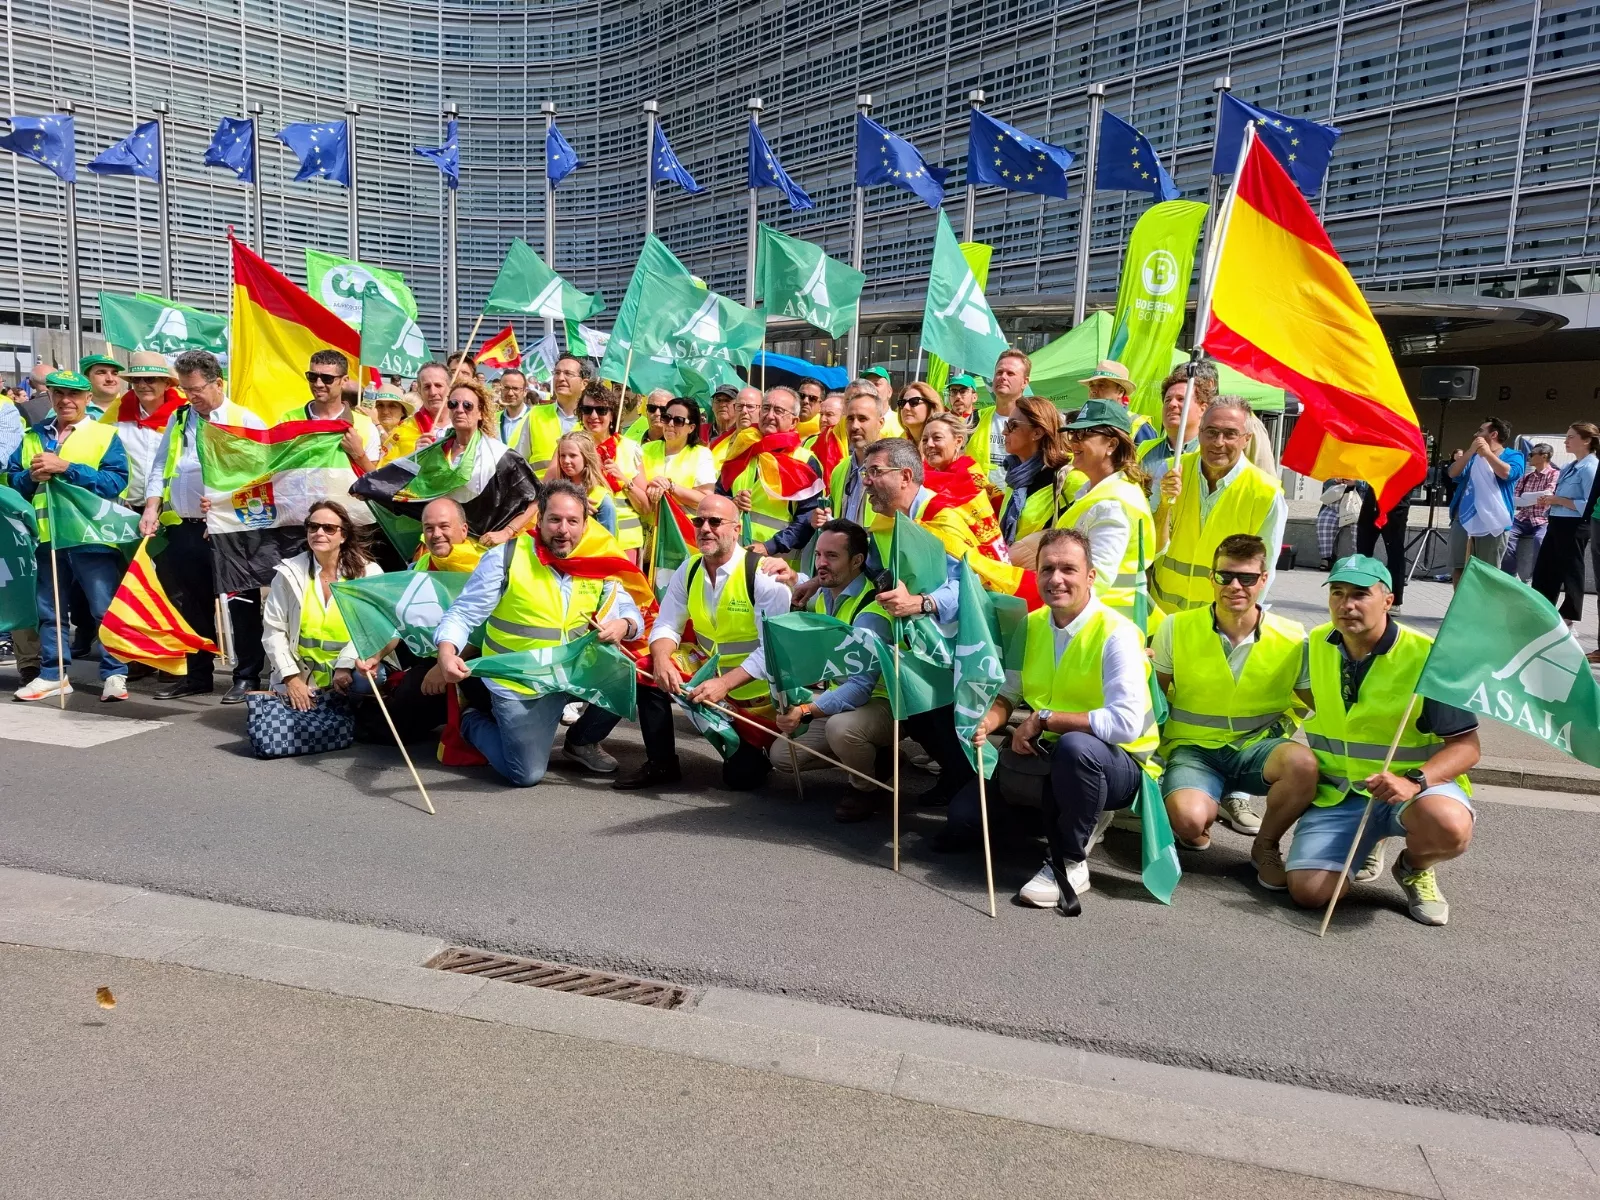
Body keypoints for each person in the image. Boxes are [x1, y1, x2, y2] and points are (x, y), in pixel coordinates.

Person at [957, 528, 1159, 916]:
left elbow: (1127, 724)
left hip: (1119, 763)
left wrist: (1046, 719)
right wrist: (988, 720)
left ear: (1090, 576)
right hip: (1043, 755)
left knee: (1076, 748)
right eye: (1047, 568)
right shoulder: (1030, 625)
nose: (1057, 578)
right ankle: (1072, 815)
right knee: (964, 822)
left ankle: (1070, 861)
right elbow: (1008, 693)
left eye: (1069, 568)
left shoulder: (1117, 633)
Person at [1270, 555, 1479, 926]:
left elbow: (1466, 748)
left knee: (1448, 825)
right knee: (1309, 893)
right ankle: (1366, 840)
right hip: (1343, 793)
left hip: (1413, 792)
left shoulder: (1427, 656)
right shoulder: (1315, 644)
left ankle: (1415, 867)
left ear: (1388, 600)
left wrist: (1412, 781)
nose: (1346, 604)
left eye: (1360, 594)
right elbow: (1306, 702)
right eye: (1337, 593)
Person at [433, 481, 643, 786]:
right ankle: (471, 720)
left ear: (586, 525)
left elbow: (628, 611)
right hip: (519, 680)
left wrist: (624, 625)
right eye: (555, 520)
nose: (563, 530)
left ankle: (581, 742)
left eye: (573, 522)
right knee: (525, 774)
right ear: (539, 519)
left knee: (630, 675)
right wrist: (446, 651)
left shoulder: (597, 561)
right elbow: (463, 613)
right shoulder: (505, 558)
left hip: (570, 673)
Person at [1154, 534, 1317, 867]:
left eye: (1247, 578)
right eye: (1225, 576)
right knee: (1187, 819)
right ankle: (1198, 821)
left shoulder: (1293, 636)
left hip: (1258, 749)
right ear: (1212, 577)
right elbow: (1153, 697)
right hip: (1194, 749)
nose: (1235, 586)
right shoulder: (1176, 627)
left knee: (1303, 765)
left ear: (1263, 579)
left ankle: (1266, 847)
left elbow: (1318, 703)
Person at [631, 493, 793, 791]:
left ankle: (754, 751)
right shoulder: (689, 568)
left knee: (741, 780)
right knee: (646, 668)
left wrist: (724, 685)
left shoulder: (764, 576)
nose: (705, 528)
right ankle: (661, 763)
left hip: (755, 701)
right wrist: (664, 660)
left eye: (715, 521)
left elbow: (772, 653)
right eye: (699, 520)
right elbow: (667, 624)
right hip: (708, 675)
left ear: (736, 529)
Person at [139, 350, 269, 700]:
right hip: (184, 525)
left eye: (196, 389)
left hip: (231, 528)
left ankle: (247, 676)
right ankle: (198, 674)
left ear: (217, 383)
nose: (190, 396)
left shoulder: (246, 421)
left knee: (240, 603)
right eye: (185, 389)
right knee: (192, 603)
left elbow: (260, 479)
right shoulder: (180, 417)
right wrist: (152, 505)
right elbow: (160, 464)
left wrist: (225, 507)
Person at [6, 369, 130, 702]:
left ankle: (115, 673)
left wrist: (66, 467)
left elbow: (116, 482)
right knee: (49, 611)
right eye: (59, 393)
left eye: (73, 394)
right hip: (47, 537)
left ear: (87, 399)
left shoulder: (104, 434)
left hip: (92, 534)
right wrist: (31, 476)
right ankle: (52, 674)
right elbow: (13, 481)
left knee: (103, 609)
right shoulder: (33, 435)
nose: (65, 400)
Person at [772, 519, 896, 821]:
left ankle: (864, 788)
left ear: (857, 561)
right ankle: (880, 760)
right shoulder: (821, 597)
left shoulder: (871, 612)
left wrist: (805, 711)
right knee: (781, 758)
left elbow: (860, 687)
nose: (821, 564)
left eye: (832, 556)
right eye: (818, 555)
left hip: (883, 704)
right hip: (840, 699)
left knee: (840, 729)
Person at [1151, 395, 1287, 614]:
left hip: (1219, 621)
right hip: (1161, 616)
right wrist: (1165, 504)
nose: (1218, 442)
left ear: (1247, 439)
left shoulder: (1266, 493)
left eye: (1230, 434)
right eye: (1211, 432)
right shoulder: (1171, 472)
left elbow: (1264, 570)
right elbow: (1151, 549)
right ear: (1200, 432)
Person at [260, 500, 392, 717]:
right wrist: (291, 678)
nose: (319, 532)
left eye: (329, 528)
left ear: (344, 536)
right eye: (313, 526)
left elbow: (373, 629)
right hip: (301, 674)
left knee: (367, 677)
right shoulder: (288, 573)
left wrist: (345, 665)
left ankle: (358, 715)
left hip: (348, 672)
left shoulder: (369, 574)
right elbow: (273, 631)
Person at [1056, 399, 1156, 632]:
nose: (1074, 443)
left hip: (1104, 626)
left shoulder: (1113, 504)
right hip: (1096, 620)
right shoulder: (1098, 491)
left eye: (1085, 434)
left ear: (1111, 444)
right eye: (1073, 435)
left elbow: (1096, 580)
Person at [717, 386, 824, 557]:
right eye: (766, 408)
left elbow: (807, 518)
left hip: (777, 564)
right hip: (732, 557)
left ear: (794, 422)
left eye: (779, 411)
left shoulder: (805, 461)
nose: (770, 415)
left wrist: (770, 546)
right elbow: (719, 494)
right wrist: (732, 503)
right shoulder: (743, 449)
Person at [1530, 423, 1600, 627]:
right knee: (1545, 569)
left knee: (1571, 570)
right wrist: (1551, 500)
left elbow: (1589, 502)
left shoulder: (1590, 467)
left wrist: (1558, 500)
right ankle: (1541, 610)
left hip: (1575, 525)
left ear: (1586, 440)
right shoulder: (1570, 467)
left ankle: (1569, 615)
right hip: (1557, 521)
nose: (1566, 441)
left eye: (1571, 437)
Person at [630, 396, 716, 560]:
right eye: (666, 417)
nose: (670, 424)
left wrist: (670, 487)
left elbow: (705, 499)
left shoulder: (701, 454)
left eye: (678, 420)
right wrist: (652, 485)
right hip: (646, 536)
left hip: (680, 540)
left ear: (691, 427)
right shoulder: (645, 449)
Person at [1446, 416, 1524, 585]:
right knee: (1459, 568)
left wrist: (1487, 454)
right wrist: (1469, 452)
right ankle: (1460, 609)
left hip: (1493, 522)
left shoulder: (1514, 455)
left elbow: (1507, 473)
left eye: (1481, 431)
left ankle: (1483, 610)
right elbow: (1453, 473)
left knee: (1487, 572)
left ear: (1494, 434)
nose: (1476, 434)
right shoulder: (1473, 457)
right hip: (1463, 518)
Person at [100, 351, 186, 505]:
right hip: (126, 507)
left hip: (174, 509)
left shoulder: (186, 414)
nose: (142, 385)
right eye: (136, 379)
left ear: (166, 384)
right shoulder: (116, 413)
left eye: (150, 379)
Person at [919, 412, 1004, 561]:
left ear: (958, 441)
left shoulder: (971, 477)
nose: (929, 445)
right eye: (925, 440)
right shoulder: (919, 476)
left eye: (937, 438)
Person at [578, 382, 642, 555]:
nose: (593, 415)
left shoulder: (630, 448)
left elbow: (646, 507)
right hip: (583, 536)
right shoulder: (571, 447)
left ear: (612, 415)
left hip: (626, 542)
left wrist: (624, 480)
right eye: (587, 409)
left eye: (601, 410)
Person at [997, 394, 1071, 543]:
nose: (1004, 432)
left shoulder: (1066, 476)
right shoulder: (1016, 473)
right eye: (1006, 425)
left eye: (1013, 425)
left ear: (1037, 433)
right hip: (1010, 564)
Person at [1137, 365, 1215, 499]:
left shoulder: (1211, 454)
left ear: (1203, 409)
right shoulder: (1144, 449)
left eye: (1181, 399)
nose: (1172, 404)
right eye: (1167, 400)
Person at [302, 349, 380, 476]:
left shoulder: (365, 426)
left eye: (327, 379)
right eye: (312, 377)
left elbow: (377, 480)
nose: (318, 384)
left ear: (344, 380)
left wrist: (358, 454)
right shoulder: (288, 420)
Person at [817, 383, 885, 529]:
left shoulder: (893, 469)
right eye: (850, 419)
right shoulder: (839, 470)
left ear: (880, 423)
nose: (854, 426)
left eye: (862, 419)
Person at [516, 354, 587, 476]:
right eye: (557, 373)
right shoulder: (535, 414)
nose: (560, 378)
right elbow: (519, 462)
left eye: (568, 374)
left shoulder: (593, 420)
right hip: (540, 492)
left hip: (582, 493)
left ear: (584, 384)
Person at [968, 348, 1030, 486]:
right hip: (979, 503)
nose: (1003, 377)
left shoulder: (1035, 421)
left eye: (1010, 373)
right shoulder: (974, 419)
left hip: (1018, 502)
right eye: (999, 372)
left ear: (1025, 382)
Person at [1504, 441, 1559, 583]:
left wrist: (1525, 498)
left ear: (1544, 456)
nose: (1529, 457)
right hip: (1522, 518)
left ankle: (1535, 579)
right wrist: (1534, 498)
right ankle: (1510, 576)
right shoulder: (1526, 477)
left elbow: (1548, 494)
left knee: (1540, 541)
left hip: (1542, 519)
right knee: (1505, 536)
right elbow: (1514, 499)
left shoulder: (1555, 474)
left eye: (1532, 454)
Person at [544, 430, 617, 534]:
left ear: (587, 458)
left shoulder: (601, 499)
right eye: (562, 455)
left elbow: (608, 544)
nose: (566, 461)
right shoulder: (553, 493)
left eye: (572, 455)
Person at [381, 361, 450, 463]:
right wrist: (413, 457)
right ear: (419, 391)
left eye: (438, 385)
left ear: (451, 388)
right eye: (427, 387)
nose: (433, 392)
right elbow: (384, 473)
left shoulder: (467, 425)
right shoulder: (401, 431)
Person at [1079, 359, 1156, 445]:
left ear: (1120, 392)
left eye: (1101, 385)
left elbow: (1151, 457)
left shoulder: (1138, 425)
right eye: (1091, 385)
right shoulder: (1082, 421)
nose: (1093, 390)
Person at [894, 381, 942, 448]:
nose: (905, 407)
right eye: (902, 403)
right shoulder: (898, 445)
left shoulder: (943, 443)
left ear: (931, 406)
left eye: (914, 402)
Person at [496, 368, 531, 447]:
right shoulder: (492, 420)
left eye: (515, 388)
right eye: (506, 388)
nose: (510, 393)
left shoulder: (535, 418)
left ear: (525, 391)